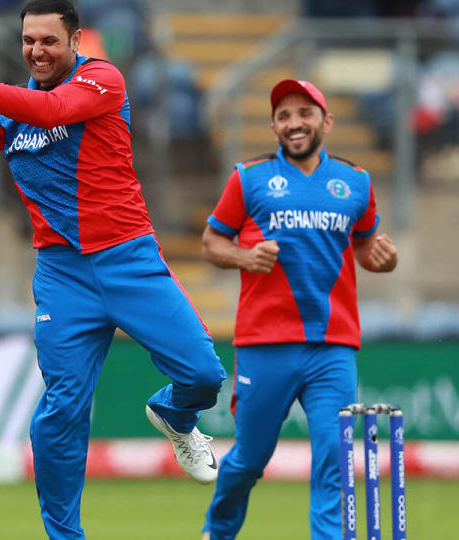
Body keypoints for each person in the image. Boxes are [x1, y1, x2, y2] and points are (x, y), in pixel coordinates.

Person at [0, 1, 226, 537]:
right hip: (62, 273)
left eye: (48, 40)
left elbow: (53, 112)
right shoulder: (11, 108)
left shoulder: (101, 79)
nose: (37, 51)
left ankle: (176, 415)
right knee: (61, 410)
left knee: (203, 373)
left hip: (126, 256)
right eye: (28, 41)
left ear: (76, 40)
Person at [199, 79, 398, 540]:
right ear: (273, 126)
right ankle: (218, 532)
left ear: (326, 121)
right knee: (249, 459)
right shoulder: (248, 177)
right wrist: (245, 258)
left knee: (335, 456)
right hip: (265, 343)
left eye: (305, 113)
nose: (295, 123)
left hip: (333, 346)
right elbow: (212, 243)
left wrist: (387, 260)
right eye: (285, 115)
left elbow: (369, 249)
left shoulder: (355, 181)